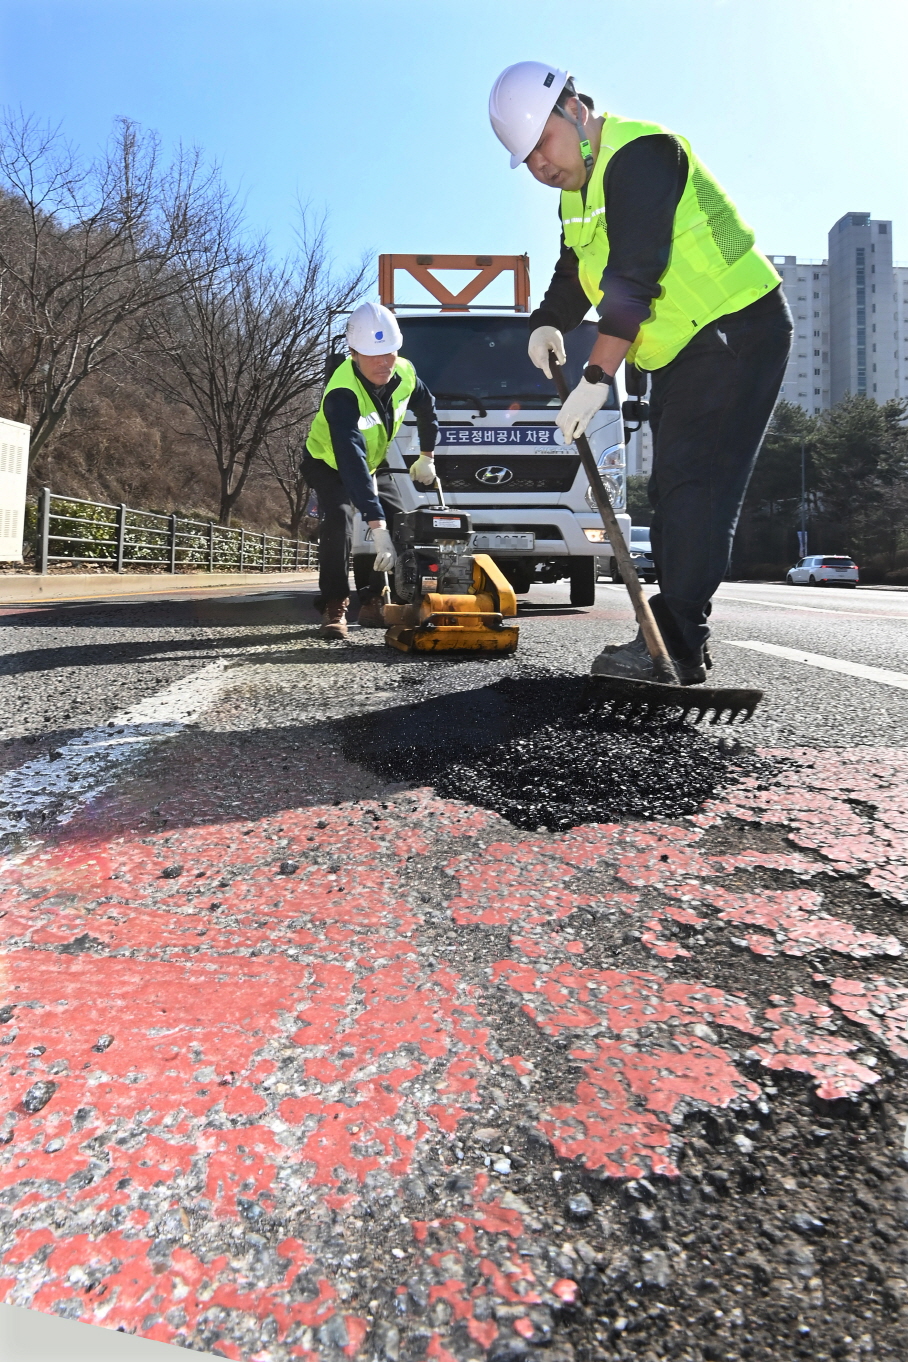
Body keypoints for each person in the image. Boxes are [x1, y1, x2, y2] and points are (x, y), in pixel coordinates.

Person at [488, 63, 792, 683]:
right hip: (679, 347)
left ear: (575, 110)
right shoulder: (577, 192)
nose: (540, 165)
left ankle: (675, 644)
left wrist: (596, 378)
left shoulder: (644, 153)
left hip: (734, 326)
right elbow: (576, 268)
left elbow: (633, 276)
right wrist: (547, 321)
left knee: (696, 487)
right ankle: (678, 641)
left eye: (543, 142)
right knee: (675, 488)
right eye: (527, 158)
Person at [303, 302, 440, 639]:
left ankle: (375, 598)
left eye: (389, 352)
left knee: (401, 521)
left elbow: (427, 408)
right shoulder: (342, 392)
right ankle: (334, 605)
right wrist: (375, 525)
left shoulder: (405, 373)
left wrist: (427, 456)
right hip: (329, 462)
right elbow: (350, 459)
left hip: (374, 461)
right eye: (372, 355)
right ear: (353, 354)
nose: (383, 363)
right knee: (339, 519)